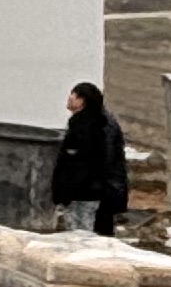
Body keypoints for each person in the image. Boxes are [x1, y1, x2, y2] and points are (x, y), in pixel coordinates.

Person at [51, 81, 129, 236]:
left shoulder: (90, 126)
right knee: (88, 230)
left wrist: (66, 189)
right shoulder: (93, 122)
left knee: (83, 232)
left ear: (82, 100)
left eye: (73, 95)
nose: (69, 98)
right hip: (94, 190)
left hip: (89, 191)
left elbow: (88, 162)